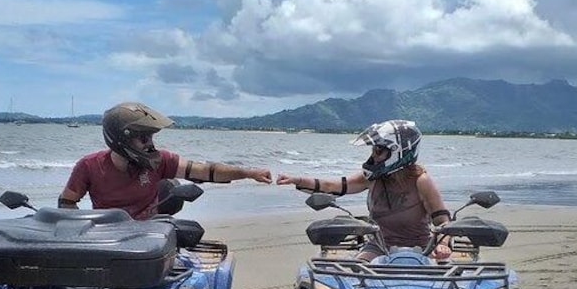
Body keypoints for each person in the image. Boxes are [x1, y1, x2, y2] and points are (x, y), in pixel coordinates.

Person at [276, 119, 452, 261]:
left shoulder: (421, 180)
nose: (374, 156)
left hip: (421, 247)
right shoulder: (371, 178)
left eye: (379, 151)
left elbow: (443, 222)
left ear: (399, 151)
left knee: (445, 288)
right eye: (374, 150)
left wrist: (443, 244)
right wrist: (297, 180)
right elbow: (334, 186)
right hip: (379, 246)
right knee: (358, 274)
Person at [59, 102, 272, 218]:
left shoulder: (160, 161)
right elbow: (67, 203)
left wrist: (248, 173)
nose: (150, 143)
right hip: (108, 236)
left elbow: (205, 171)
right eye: (143, 138)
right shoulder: (88, 166)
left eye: (151, 136)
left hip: (152, 233)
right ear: (120, 139)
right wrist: (81, 230)